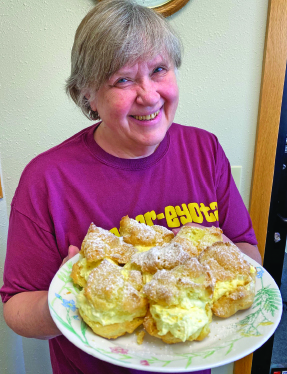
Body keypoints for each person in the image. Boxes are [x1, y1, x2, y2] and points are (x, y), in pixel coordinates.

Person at [0, 0, 261, 373]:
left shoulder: (205, 150)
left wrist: (214, 270)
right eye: (123, 79)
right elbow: (16, 309)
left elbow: (248, 253)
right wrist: (70, 297)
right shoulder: (48, 178)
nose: (149, 94)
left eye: (159, 70)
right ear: (87, 94)